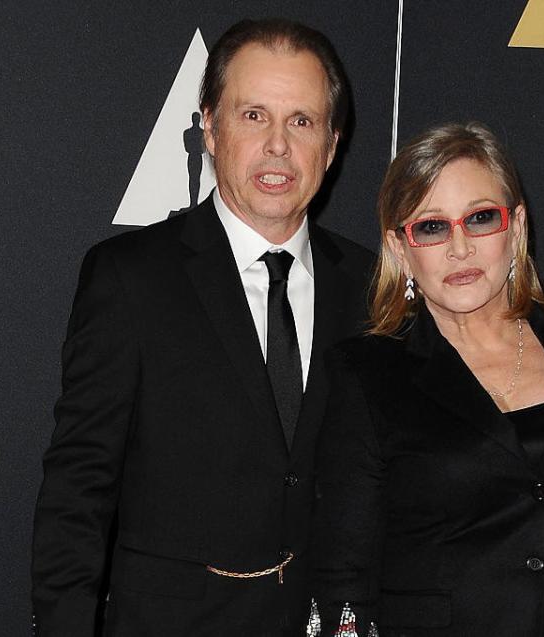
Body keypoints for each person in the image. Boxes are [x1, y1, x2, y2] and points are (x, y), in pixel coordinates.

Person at [30, 19, 374, 637]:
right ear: (210, 129)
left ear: (331, 143)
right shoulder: (130, 279)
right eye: (253, 116)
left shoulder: (369, 285)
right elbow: (78, 492)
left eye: (301, 121)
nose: (277, 146)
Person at [308, 122, 544, 636]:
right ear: (400, 249)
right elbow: (343, 576)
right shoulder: (367, 374)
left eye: (481, 218)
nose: (459, 248)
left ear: (517, 226)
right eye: (432, 227)